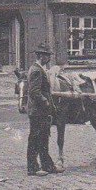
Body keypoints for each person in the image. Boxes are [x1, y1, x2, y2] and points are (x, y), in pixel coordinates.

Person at [26, 43, 61, 177]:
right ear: (41, 56)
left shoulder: (38, 68)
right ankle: (32, 168)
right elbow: (34, 92)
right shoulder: (36, 70)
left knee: (43, 138)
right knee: (35, 139)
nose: (49, 58)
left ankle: (47, 165)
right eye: (47, 56)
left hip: (39, 110)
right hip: (38, 111)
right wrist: (46, 102)